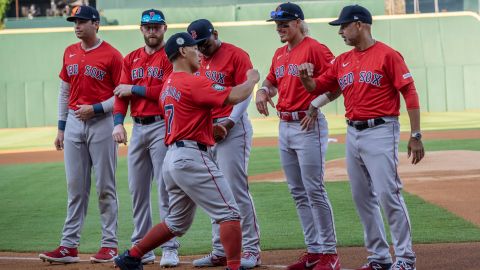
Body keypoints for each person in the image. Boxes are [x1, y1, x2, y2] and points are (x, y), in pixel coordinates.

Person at [113, 32, 260, 270]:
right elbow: (233, 96)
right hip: (191, 156)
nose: (200, 53)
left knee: (176, 222)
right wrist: (252, 80)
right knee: (230, 213)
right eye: (194, 49)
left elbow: (188, 116)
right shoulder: (192, 81)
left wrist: (208, 128)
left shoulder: (169, 84)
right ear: (182, 51)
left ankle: (132, 255)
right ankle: (233, 267)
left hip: (173, 157)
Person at [298, 5, 424, 270]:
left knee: (389, 194)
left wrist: (415, 134)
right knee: (361, 197)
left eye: (343, 26)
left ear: (360, 25)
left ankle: (405, 259)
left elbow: (409, 93)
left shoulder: (388, 55)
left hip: (381, 130)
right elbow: (320, 87)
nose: (340, 32)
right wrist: (306, 79)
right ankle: (379, 257)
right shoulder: (342, 60)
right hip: (352, 132)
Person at [255, 2, 341, 270]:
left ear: (298, 23)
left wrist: (317, 104)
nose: (279, 28)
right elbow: (271, 82)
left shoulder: (315, 48)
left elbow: (338, 82)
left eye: (284, 23)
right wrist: (262, 92)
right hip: (285, 126)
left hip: (307, 125)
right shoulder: (280, 54)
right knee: (297, 192)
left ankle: (329, 252)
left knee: (314, 189)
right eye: (277, 24)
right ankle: (314, 250)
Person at [39, 5, 122, 264]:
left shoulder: (112, 55)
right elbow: (64, 92)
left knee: (105, 186)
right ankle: (69, 246)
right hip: (74, 123)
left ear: (96, 24)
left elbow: (120, 95)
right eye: (75, 21)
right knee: (75, 187)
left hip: (102, 123)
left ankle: (109, 245)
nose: (77, 25)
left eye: (82, 21)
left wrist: (97, 108)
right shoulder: (70, 52)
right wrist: (61, 128)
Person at [186, 19, 261, 269]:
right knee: (213, 191)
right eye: (196, 45)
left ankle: (250, 249)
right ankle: (220, 249)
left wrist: (228, 123)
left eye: (204, 43)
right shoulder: (196, 60)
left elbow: (245, 92)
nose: (201, 49)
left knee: (236, 189)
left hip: (233, 128)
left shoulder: (236, 55)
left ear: (215, 34)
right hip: (206, 129)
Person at [112, 9, 179, 267]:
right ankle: (143, 247)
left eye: (157, 27)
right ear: (141, 29)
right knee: (137, 191)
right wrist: (118, 123)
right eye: (147, 27)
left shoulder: (171, 57)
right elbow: (121, 94)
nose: (152, 31)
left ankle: (170, 247)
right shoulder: (131, 59)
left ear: (164, 28)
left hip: (161, 125)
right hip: (138, 128)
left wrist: (135, 88)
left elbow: (165, 91)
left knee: (165, 188)